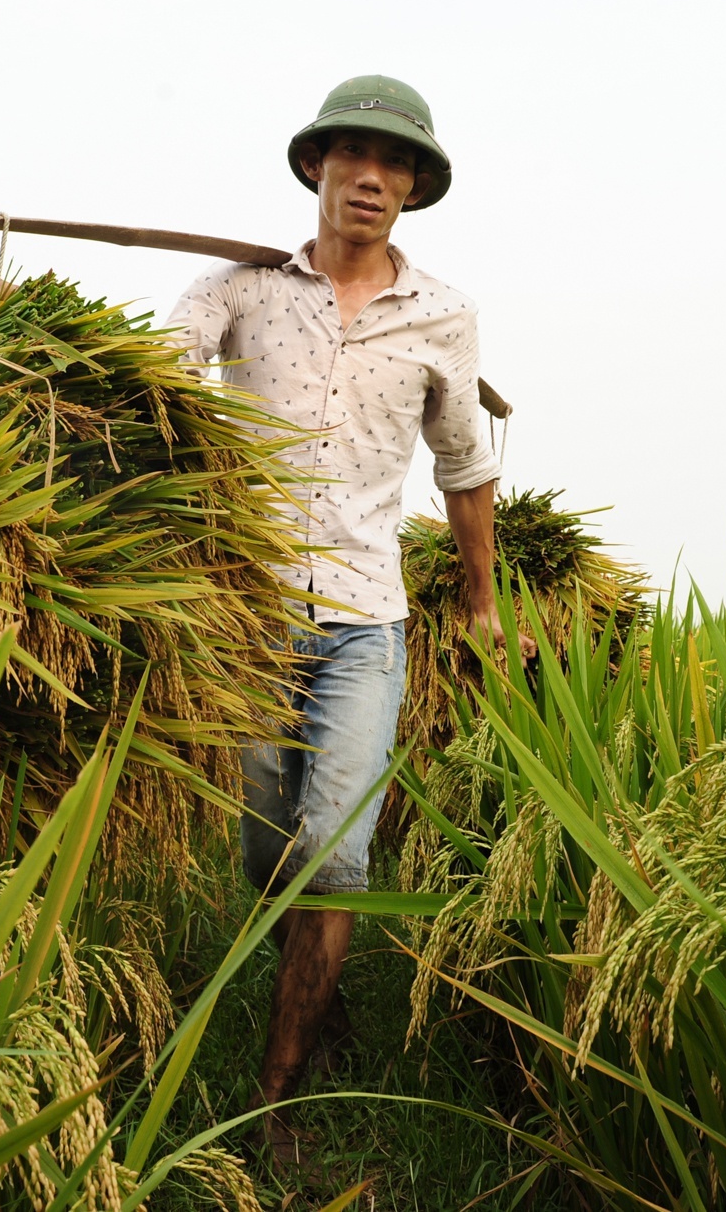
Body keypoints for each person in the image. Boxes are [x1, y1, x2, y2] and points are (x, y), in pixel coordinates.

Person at [168, 74, 531, 1164]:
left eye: (393, 162)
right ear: (316, 167)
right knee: (267, 854)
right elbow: (154, 379)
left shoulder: (444, 316)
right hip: (250, 622)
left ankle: (276, 1101)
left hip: (366, 624)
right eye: (351, 156)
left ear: (413, 187)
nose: (370, 176)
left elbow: (467, 465)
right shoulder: (235, 289)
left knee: (337, 857)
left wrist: (479, 602)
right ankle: (308, 992)